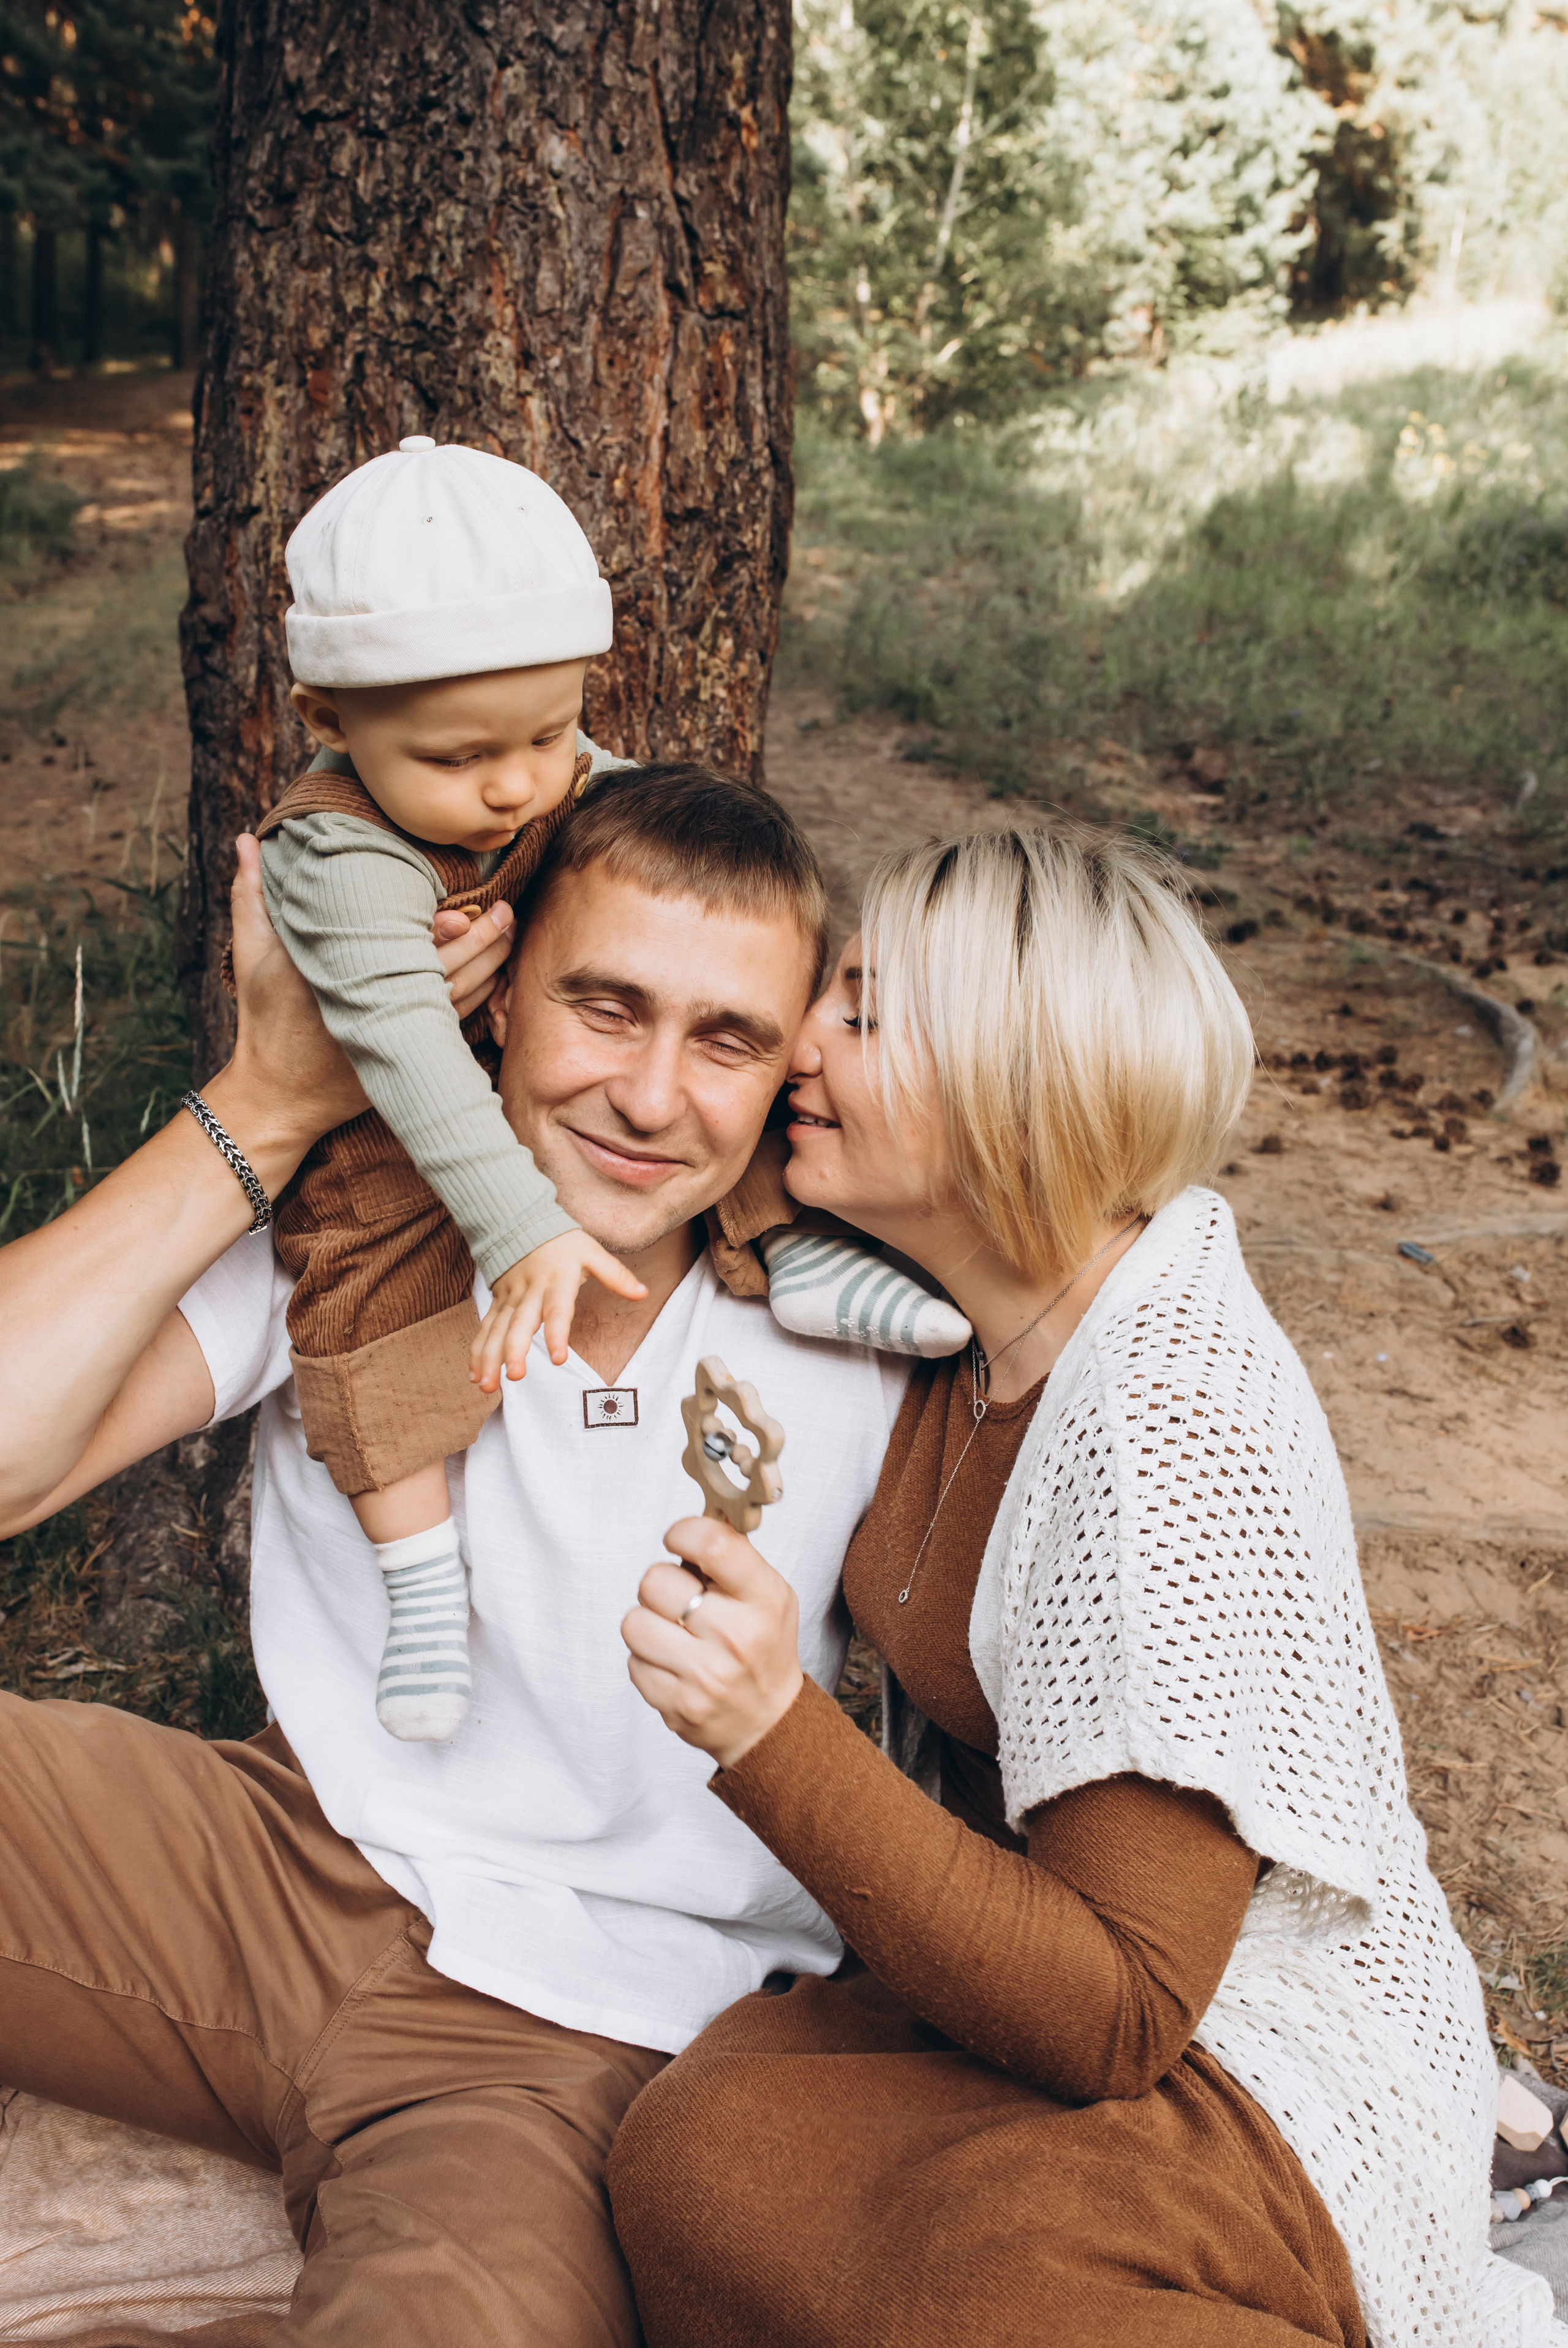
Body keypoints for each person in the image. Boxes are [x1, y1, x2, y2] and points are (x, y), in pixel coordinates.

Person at [0, 769, 911, 2348]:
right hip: (272, 1871)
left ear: (787, 1073)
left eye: (725, 1041)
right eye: (604, 1008)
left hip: (575, 2032)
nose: (647, 1098)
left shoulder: (860, 1322)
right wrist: (275, 1097)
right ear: (489, 1005)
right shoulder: (366, 1237)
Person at [611, 824, 1543, 2348]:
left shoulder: (1163, 1425)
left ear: (1010, 1079)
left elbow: (1118, 2013)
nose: (799, 1045)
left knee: (955, 2278)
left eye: (862, 1014)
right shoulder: (949, 1307)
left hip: (1252, 2068)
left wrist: (771, 1731)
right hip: (1012, 1987)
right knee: (706, 2155)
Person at [261, 436, 964, 1741]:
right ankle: (420, 1575)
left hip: (501, 1090)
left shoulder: (530, 765)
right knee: (361, 1295)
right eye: (465, 759)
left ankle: (796, 1266)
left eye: (549, 731)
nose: (520, 784)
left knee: (712, 1096)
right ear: (330, 722)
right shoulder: (336, 855)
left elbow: (635, 803)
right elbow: (414, 1064)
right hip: (394, 1119)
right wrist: (517, 1229)